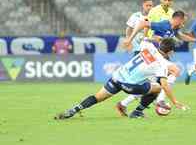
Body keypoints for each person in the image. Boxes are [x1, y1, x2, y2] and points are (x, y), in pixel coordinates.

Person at [55, 38, 187, 119]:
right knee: (157, 89)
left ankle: (75, 109)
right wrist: (175, 101)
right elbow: (165, 84)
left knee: (97, 97)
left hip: (117, 76)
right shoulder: (162, 64)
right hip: (129, 85)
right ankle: (137, 112)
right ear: (170, 51)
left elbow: (144, 39)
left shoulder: (148, 46)